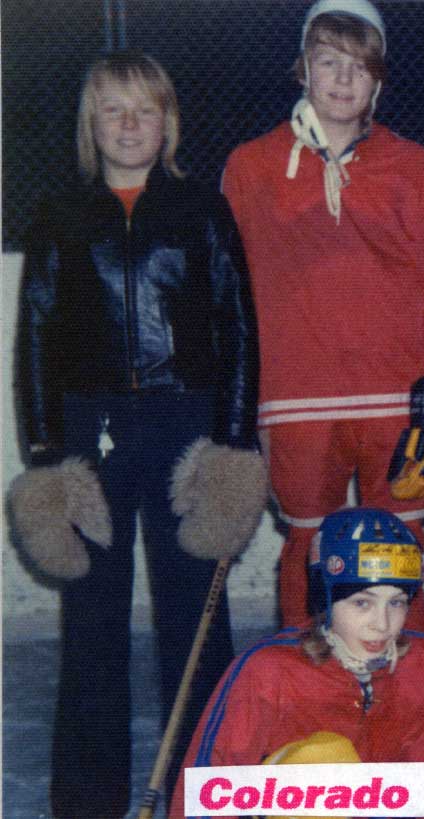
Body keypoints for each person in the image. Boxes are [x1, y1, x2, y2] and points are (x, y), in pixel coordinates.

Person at [13, 51, 260, 817]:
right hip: (93, 438)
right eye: (113, 111)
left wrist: (232, 441)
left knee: (197, 623)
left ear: (167, 124)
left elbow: (239, 328)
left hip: (187, 427)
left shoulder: (202, 211)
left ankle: (206, 789)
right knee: (92, 624)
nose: (128, 125)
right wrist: (46, 452)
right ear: (91, 124)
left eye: (144, 110)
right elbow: (34, 337)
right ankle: (87, 800)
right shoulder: (59, 214)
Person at [221, 0, 424, 630]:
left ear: (377, 81)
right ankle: (307, 680)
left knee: (396, 547)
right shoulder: (251, 167)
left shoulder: (414, 165)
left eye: (359, 66)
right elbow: (225, 292)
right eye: (328, 61)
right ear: (302, 68)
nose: (342, 78)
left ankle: (405, 679)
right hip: (296, 399)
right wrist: (235, 402)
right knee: (311, 549)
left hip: (397, 400)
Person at [171, 507, 424, 819]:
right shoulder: (271, 670)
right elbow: (212, 783)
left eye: (396, 602)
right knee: (325, 759)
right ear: (327, 600)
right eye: (362, 603)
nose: (382, 624)